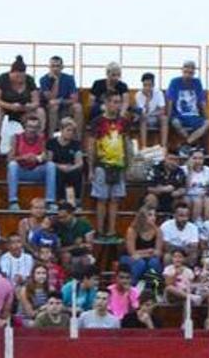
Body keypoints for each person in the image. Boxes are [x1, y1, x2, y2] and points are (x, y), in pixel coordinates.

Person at [88, 91, 127, 238]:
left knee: (115, 199)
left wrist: (127, 166)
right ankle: (100, 230)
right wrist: (91, 169)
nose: (117, 105)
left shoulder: (123, 122)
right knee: (102, 199)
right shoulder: (97, 122)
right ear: (107, 103)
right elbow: (91, 146)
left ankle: (111, 230)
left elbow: (126, 144)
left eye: (119, 102)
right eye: (115, 102)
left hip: (119, 165)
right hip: (102, 165)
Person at [0, 56, 43, 150]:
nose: (20, 79)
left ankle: (38, 143)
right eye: (17, 76)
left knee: (40, 111)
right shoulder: (2, 78)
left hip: (24, 111)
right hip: (6, 110)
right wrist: (10, 106)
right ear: (11, 73)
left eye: (22, 76)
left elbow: (36, 102)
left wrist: (28, 106)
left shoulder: (29, 80)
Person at [6, 112, 56, 209]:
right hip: (22, 171)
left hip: (36, 170)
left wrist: (38, 158)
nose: (32, 130)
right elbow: (9, 159)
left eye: (35, 127)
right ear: (25, 127)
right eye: (30, 127)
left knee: (51, 166)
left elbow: (46, 157)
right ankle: (13, 201)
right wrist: (23, 157)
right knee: (12, 165)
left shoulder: (41, 138)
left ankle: (50, 201)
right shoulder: (16, 138)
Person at [166, 61, 209, 149]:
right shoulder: (175, 82)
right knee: (175, 123)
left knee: (207, 123)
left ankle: (187, 143)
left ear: (194, 72)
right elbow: (170, 100)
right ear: (182, 70)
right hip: (179, 116)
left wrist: (207, 117)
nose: (188, 72)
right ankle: (193, 144)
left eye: (191, 70)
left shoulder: (197, 82)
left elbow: (202, 101)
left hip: (194, 116)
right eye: (186, 69)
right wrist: (168, 117)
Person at [46, 118, 85, 206]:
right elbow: (49, 161)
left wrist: (71, 168)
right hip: (57, 168)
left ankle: (76, 201)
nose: (70, 133)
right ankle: (60, 200)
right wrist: (60, 166)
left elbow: (80, 162)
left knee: (77, 172)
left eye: (73, 131)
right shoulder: (52, 142)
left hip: (70, 168)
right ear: (61, 130)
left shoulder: (76, 144)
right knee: (58, 173)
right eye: (68, 130)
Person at [121, 204, 163, 285]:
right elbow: (132, 253)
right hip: (128, 257)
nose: (153, 217)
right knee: (140, 263)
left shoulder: (158, 231)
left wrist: (141, 254)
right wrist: (149, 251)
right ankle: (131, 287)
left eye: (155, 215)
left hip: (147, 258)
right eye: (150, 215)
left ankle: (151, 289)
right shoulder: (132, 230)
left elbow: (158, 253)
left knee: (154, 262)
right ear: (142, 217)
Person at [39, 55, 82, 133]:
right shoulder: (43, 79)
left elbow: (75, 99)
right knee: (54, 106)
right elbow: (50, 99)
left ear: (62, 67)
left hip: (66, 107)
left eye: (58, 66)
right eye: (53, 66)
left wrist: (60, 101)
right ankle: (51, 138)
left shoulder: (69, 78)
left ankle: (77, 139)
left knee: (78, 107)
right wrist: (56, 81)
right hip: (49, 108)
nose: (55, 69)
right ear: (49, 67)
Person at [134, 72, 168, 150]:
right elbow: (142, 112)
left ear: (153, 85)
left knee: (164, 119)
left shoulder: (158, 93)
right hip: (144, 117)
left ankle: (164, 146)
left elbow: (162, 110)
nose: (147, 88)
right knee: (143, 118)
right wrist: (147, 101)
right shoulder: (138, 95)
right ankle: (144, 146)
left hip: (156, 117)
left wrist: (153, 114)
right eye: (145, 85)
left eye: (149, 85)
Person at [147, 149, 187, 216]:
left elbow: (183, 188)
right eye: (170, 159)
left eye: (175, 160)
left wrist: (178, 192)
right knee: (150, 198)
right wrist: (164, 189)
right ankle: (150, 221)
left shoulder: (180, 172)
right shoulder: (155, 169)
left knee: (182, 200)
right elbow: (149, 188)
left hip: (172, 197)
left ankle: (177, 222)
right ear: (165, 158)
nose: (173, 162)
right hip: (157, 196)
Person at [160, 203, 201, 267]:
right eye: (181, 216)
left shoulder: (193, 227)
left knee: (194, 256)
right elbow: (166, 246)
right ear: (174, 215)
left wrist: (175, 247)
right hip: (172, 254)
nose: (184, 219)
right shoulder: (166, 226)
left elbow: (194, 247)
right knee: (167, 257)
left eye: (186, 216)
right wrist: (184, 248)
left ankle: (189, 275)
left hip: (186, 255)